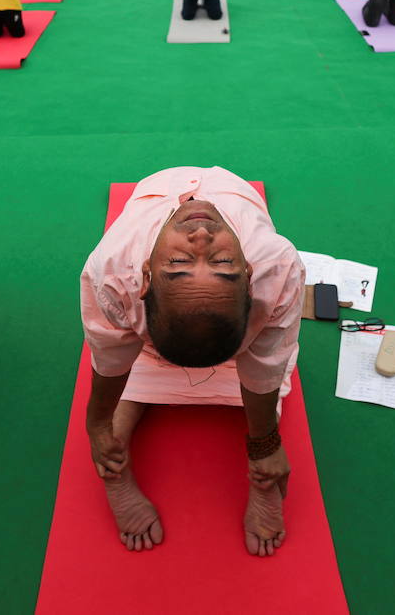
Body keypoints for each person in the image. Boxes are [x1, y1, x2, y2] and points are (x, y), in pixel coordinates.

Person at [81, 166, 301, 556]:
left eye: (222, 264)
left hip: (237, 340)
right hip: (151, 342)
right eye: (179, 263)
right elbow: (110, 355)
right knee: (127, 384)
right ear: (145, 278)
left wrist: (266, 444)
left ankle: (263, 479)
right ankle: (115, 469)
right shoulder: (111, 271)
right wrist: (97, 426)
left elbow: (265, 363)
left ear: (250, 277)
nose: (201, 237)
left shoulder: (277, 266)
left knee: (268, 381)